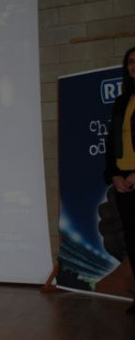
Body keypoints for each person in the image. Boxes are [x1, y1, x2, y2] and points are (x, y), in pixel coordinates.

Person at [104, 46, 135, 313]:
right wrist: (114, 175)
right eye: (131, 62)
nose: (134, 65)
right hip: (123, 181)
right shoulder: (122, 100)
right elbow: (112, 141)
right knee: (132, 240)